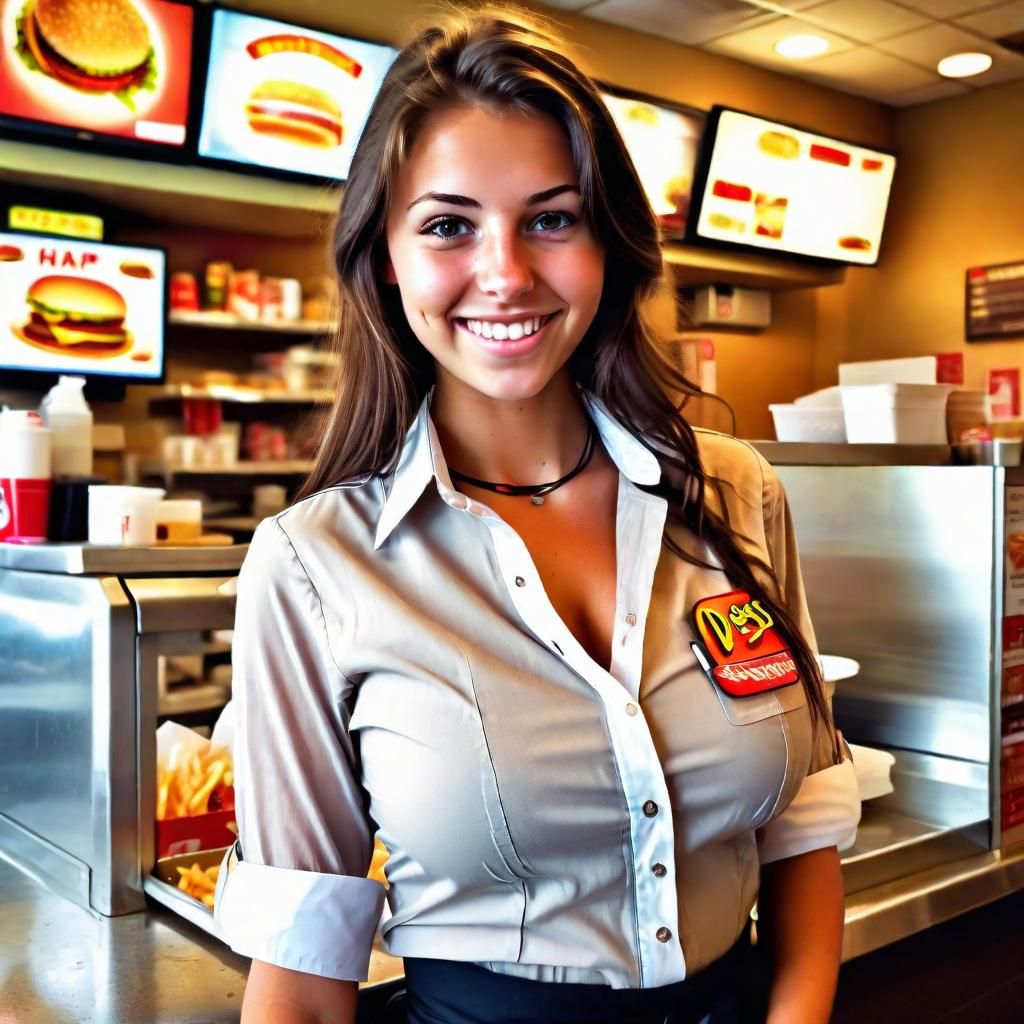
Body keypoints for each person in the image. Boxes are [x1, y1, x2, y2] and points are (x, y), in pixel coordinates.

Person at [214, 4, 861, 1023]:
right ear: (385, 255)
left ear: (606, 241)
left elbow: (801, 827)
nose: (505, 272)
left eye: (551, 218)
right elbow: (300, 970)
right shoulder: (312, 564)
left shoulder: (733, 492)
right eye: (448, 224)